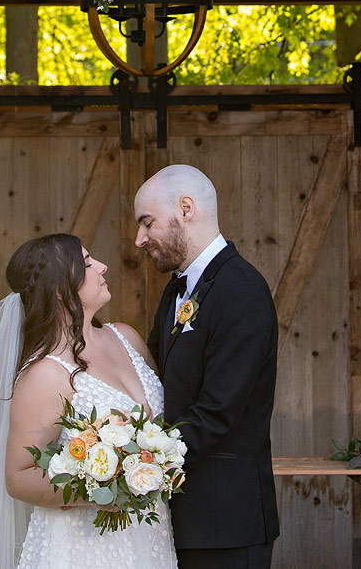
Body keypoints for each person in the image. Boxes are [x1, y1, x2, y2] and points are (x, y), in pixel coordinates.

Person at [0, 232, 178, 569]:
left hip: (150, 533)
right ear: (59, 290)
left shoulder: (126, 337)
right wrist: (102, 486)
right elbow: (18, 477)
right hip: (83, 547)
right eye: (88, 264)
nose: (103, 267)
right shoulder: (45, 375)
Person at [135, 165, 279, 569]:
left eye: (147, 223)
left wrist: (142, 462)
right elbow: (154, 375)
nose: (139, 239)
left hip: (226, 522)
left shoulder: (241, 290)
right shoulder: (178, 290)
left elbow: (219, 410)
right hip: (183, 517)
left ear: (186, 208)